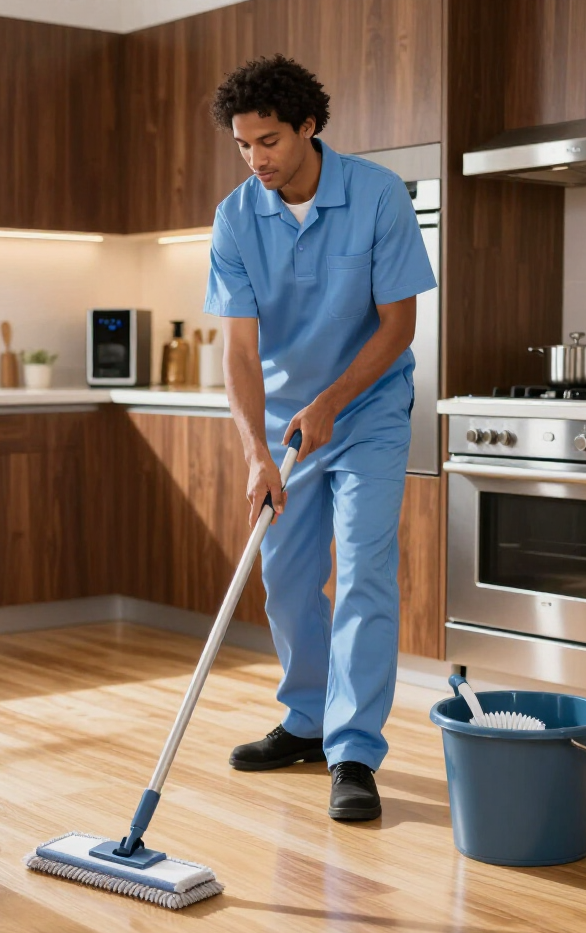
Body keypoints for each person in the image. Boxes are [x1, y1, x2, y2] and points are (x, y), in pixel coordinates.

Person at [203, 54, 436, 821]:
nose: (256, 158)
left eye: (268, 140)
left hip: (366, 411)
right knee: (288, 580)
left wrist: (336, 398)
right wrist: (256, 453)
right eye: (243, 145)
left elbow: (400, 327)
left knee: (365, 570)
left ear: (308, 126)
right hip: (284, 423)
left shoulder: (374, 196)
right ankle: (306, 722)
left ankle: (355, 750)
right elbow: (239, 352)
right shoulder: (237, 216)